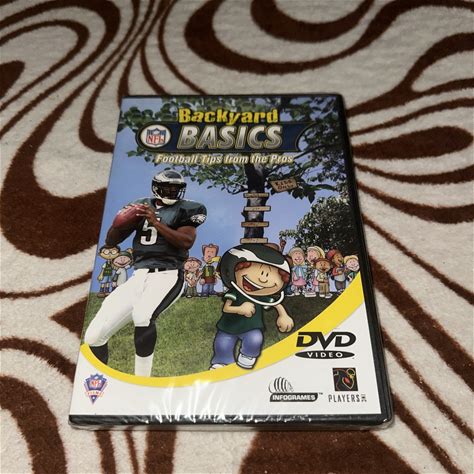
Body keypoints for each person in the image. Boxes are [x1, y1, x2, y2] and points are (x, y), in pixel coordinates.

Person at [84, 169, 207, 376]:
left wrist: (156, 222)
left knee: (143, 316)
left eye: (176, 189)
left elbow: (186, 241)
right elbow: (111, 241)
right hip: (138, 275)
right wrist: (120, 223)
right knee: (94, 337)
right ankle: (102, 380)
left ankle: (143, 380)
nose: (172, 192)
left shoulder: (188, 209)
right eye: (168, 188)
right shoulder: (140, 205)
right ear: (156, 188)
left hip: (168, 274)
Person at [210, 244, 294, 370]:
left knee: (255, 339)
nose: (263, 279)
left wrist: (283, 315)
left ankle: (247, 356)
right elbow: (226, 308)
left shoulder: (260, 296)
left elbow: (274, 303)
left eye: (269, 275)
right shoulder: (235, 292)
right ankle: (222, 362)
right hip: (228, 327)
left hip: (251, 327)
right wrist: (240, 309)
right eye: (260, 271)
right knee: (222, 344)